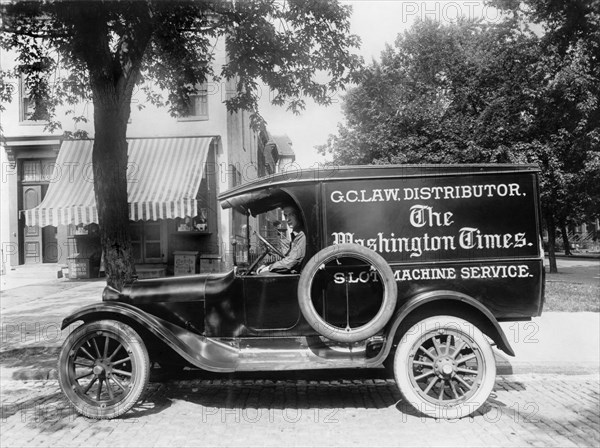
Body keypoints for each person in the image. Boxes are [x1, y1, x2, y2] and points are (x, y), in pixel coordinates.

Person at [257, 205, 306, 274]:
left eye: (291, 215)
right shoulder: (296, 235)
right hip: (296, 273)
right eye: (285, 215)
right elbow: (287, 257)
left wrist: (269, 267)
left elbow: (291, 262)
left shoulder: (302, 235)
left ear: (298, 215)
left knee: (264, 274)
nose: (287, 219)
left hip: (300, 275)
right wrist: (268, 265)